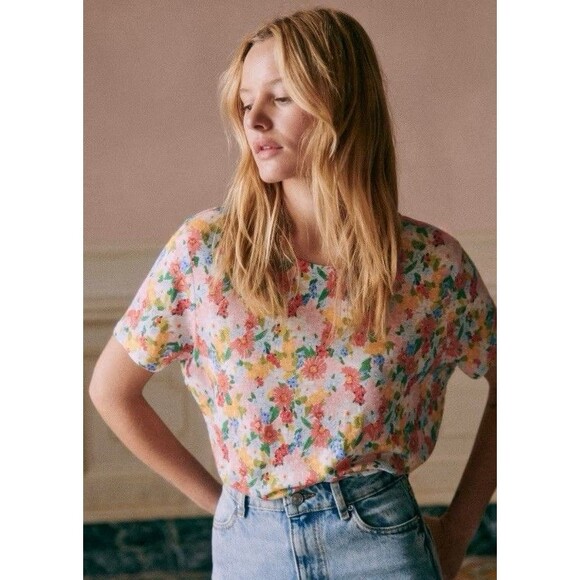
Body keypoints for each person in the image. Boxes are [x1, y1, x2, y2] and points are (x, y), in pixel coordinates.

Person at [89, 7, 496, 580]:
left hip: (382, 548)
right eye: (244, 101)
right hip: (250, 549)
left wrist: (458, 529)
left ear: (343, 105)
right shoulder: (206, 252)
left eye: (280, 98)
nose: (254, 120)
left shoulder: (430, 265)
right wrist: (227, 509)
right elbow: (111, 391)